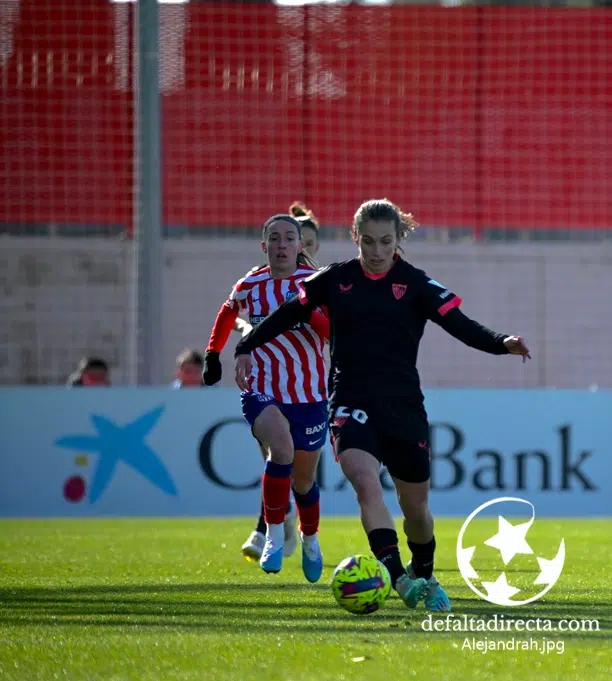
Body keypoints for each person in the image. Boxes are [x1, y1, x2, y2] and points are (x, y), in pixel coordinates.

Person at [233, 198, 531, 612]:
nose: (376, 251)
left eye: (385, 242)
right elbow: (287, 314)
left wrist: (502, 343)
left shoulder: (416, 284)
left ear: (398, 240)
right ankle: (398, 579)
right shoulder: (334, 279)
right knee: (365, 484)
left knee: (417, 511)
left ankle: (423, 570)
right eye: (368, 241)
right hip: (349, 402)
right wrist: (246, 345)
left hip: (404, 408)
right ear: (355, 237)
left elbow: (461, 326)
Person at [202, 213, 331, 582]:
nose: (281, 245)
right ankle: (273, 533)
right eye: (274, 239)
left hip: (308, 392)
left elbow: (330, 329)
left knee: (304, 481)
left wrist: (313, 318)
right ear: (264, 246)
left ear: (300, 245)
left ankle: (310, 538)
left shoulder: (314, 283)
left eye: (289, 238)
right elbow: (228, 313)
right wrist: (213, 353)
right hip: (262, 387)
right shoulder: (251, 284)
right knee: (281, 450)